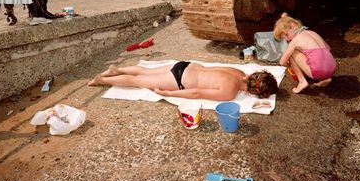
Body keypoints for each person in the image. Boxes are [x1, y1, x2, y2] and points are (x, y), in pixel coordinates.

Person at [88, 62, 278, 101]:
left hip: (185, 66)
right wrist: (169, 94)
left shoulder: (239, 72)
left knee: (147, 71)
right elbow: (196, 93)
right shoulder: (230, 92)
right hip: (180, 79)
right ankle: (102, 79)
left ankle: (116, 69)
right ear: (255, 92)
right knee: (138, 81)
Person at [273, 13, 336, 94]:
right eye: (284, 38)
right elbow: (328, 48)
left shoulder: (295, 40)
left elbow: (282, 62)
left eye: (286, 35)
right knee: (317, 55)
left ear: (292, 27)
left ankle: (302, 81)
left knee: (292, 53)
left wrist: (291, 65)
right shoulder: (312, 33)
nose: (287, 39)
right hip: (332, 67)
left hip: (318, 71)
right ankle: (326, 77)